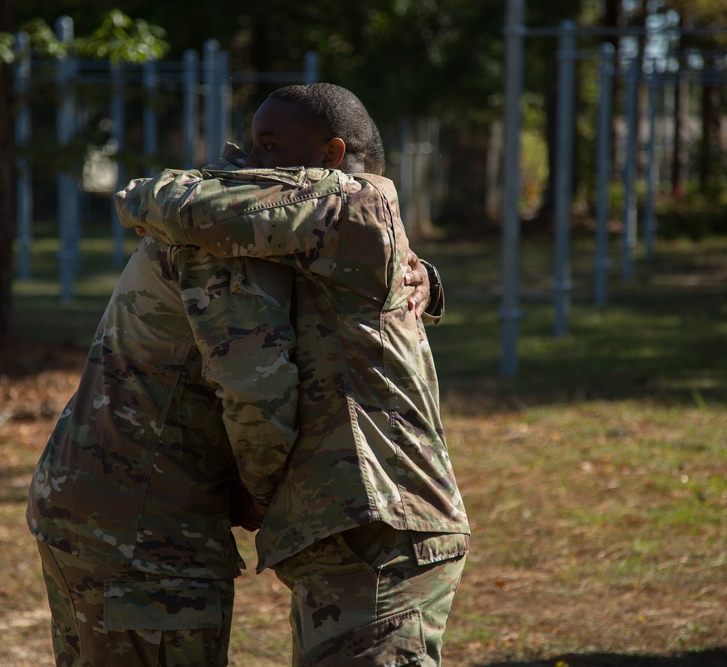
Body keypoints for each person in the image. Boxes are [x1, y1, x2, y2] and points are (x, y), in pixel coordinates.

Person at [26, 156, 437, 663]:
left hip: (97, 505)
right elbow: (255, 396)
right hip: (147, 533)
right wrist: (268, 497)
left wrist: (419, 275)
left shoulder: (264, 223)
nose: (265, 164)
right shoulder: (227, 238)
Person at [116, 82, 470, 666]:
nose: (256, 165)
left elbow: (201, 210)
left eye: (269, 147)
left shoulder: (349, 202)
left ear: (332, 155)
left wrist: (140, 194)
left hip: (382, 526)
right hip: (353, 526)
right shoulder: (322, 224)